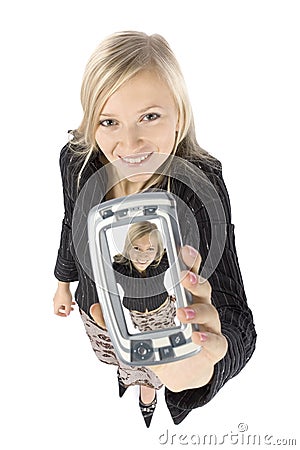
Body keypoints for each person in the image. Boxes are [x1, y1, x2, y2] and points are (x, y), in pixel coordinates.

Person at [53, 31, 257, 428]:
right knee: (127, 363)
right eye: (108, 121)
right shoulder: (77, 161)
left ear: (179, 115)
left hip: (166, 317)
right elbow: (70, 222)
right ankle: (142, 384)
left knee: (160, 368)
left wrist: (205, 367)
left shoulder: (204, 183)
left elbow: (233, 310)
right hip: (101, 310)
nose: (128, 143)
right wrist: (62, 281)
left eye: (149, 116)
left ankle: (155, 388)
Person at [112, 220, 177, 332]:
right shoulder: (120, 269)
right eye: (136, 248)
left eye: (150, 249)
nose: (143, 256)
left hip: (162, 311)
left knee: (169, 337)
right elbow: (101, 275)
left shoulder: (161, 262)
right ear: (128, 248)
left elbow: (179, 247)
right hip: (139, 316)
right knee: (149, 342)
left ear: (157, 252)